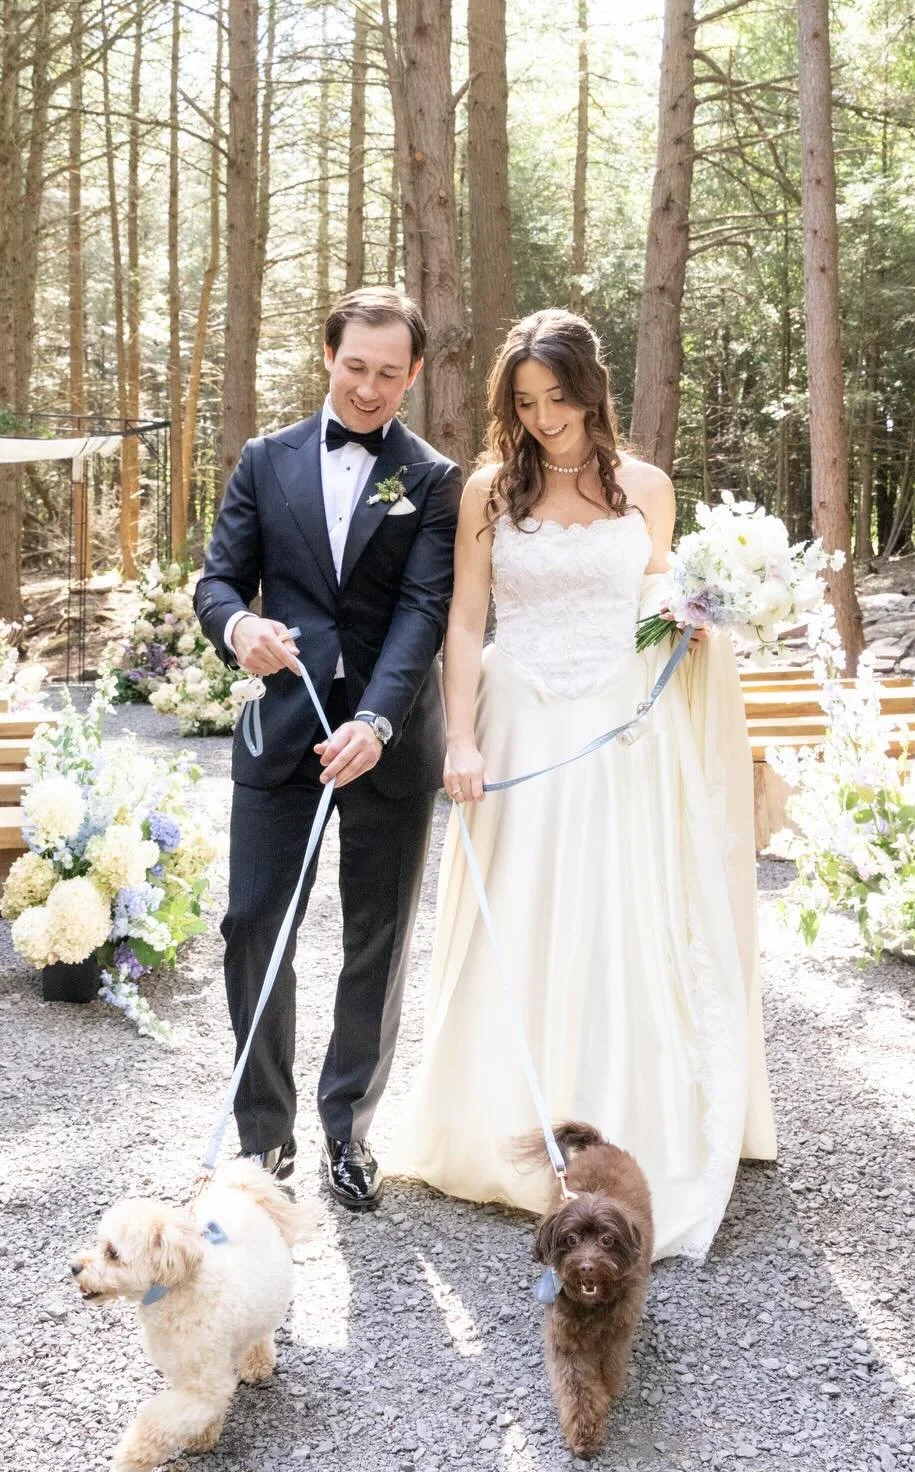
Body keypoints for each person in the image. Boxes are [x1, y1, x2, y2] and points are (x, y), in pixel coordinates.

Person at [390, 309, 774, 1260]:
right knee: (519, 910)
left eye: (557, 398)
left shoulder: (647, 488)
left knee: (619, 913)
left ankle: (630, 1122)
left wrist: (694, 621)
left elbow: (657, 599)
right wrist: (462, 738)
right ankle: (498, 1124)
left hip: (619, 726)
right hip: (520, 721)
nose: (544, 418)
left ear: (593, 390)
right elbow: (469, 621)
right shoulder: (489, 488)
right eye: (524, 403)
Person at [195, 288, 461, 1211]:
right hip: (282, 736)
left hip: (388, 743)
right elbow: (219, 580)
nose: (371, 389)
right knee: (253, 925)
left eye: (391, 374)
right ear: (328, 357)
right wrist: (239, 632)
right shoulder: (265, 462)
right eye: (357, 367)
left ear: (414, 375)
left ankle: (349, 1131)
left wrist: (379, 722)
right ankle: (264, 1138)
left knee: (375, 942)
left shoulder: (433, 480)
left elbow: (426, 610)